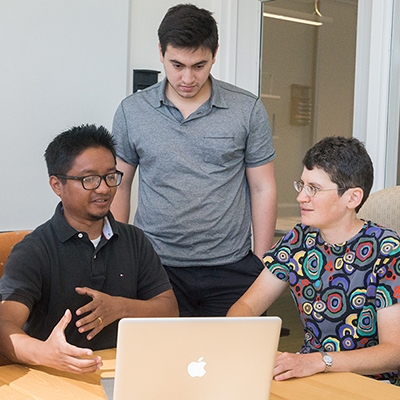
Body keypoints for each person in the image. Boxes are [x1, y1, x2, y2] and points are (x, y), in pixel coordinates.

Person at [111, 3, 277, 317]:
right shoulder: (132, 111)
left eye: (199, 65)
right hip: (156, 267)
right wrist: (119, 259)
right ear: (160, 52)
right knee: (161, 361)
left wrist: (262, 261)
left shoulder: (247, 109)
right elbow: (119, 186)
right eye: (177, 65)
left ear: (215, 54)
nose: (187, 77)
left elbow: (262, 187)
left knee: (235, 361)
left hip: (232, 266)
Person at [0, 124, 178, 374]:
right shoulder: (34, 250)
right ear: (56, 185)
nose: (104, 188)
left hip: (126, 372)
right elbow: (4, 327)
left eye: (110, 176)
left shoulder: (134, 239)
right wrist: (46, 353)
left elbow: (169, 310)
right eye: (89, 179)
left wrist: (121, 307)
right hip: (55, 376)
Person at [228, 136, 400, 385]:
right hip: (307, 375)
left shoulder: (388, 249)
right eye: (302, 185)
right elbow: (247, 306)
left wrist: (320, 361)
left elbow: (393, 352)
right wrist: (236, 337)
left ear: (352, 198)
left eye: (314, 189)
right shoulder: (298, 239)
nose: (301, 198)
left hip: (369, 384)